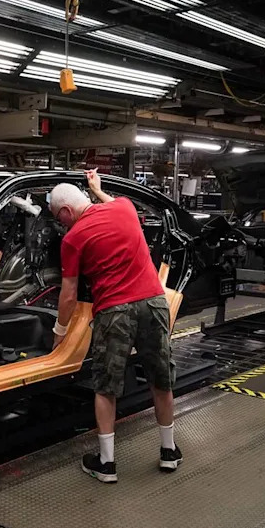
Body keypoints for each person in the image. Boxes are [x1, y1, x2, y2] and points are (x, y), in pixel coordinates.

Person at [48, 170, 181, 483]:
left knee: (106, 387)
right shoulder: (124, 207)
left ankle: (106, 464)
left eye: (58, 217)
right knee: (161, 379)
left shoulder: (73, 238)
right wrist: (97, 190)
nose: (60, 224)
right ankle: (169, 451)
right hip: (153, 303)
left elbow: (68, 296)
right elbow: (111, 203)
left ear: (66, 212)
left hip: (115, 311)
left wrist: (59, 334)